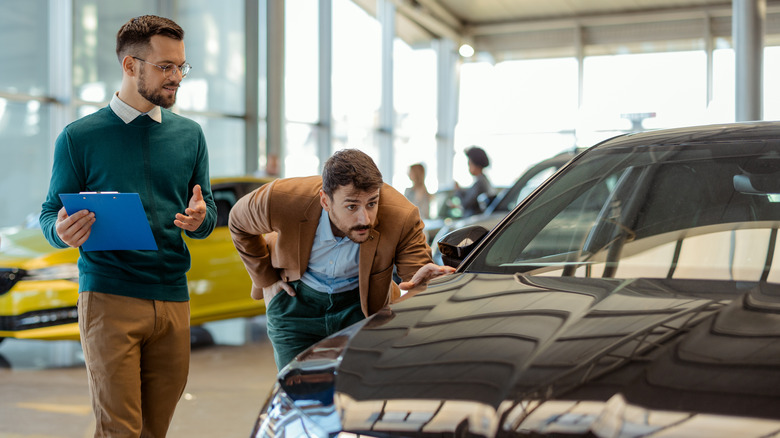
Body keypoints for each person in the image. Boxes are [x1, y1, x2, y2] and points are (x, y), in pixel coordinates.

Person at [39, 15, 216, 437]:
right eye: (165, 67)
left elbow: (204, 208)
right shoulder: (79, 137)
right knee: (120, 430)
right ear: (130, 66)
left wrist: (200, 218)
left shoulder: (190, 136)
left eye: (181, 67)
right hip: (109, 297)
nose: (176, 78)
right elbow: (50, 213)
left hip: (173, 299)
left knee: (155, 430)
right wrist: (60, 232)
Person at [228, 149, 454, 369]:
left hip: (360, 306)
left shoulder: (401, 215)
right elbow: (238, 221)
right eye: (351, 206)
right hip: (296, 302)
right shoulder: (284, 198)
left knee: (360, 388)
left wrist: (427, 284)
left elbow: (417, 273)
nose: (364, 218)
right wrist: (266, 278)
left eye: (371, 204)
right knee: (297, 390)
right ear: (325, 201)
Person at [455, 146, 494, 216]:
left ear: (476, 164)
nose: (468, 167)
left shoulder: (480, 183)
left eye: (469, 164)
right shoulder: (483, 180)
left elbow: (466, 204)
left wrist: (458, 191)